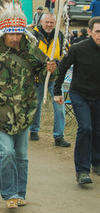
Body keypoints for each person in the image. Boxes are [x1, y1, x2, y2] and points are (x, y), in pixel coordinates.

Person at [0, 0, 56, 209]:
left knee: (22, 157)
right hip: (0, 115)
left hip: (25, 113)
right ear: (3, 34)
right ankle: (9, 194)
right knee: (7, 153)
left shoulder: (31, 52)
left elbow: (46, 73)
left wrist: (52, 69)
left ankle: (20, 193)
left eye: (18, 33)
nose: (15, 38)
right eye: (11, 33)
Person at [54, 17, 100, 184]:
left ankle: (97, 162)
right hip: (79, 93)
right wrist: (57, 90)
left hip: (98, 95)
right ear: (89, 32)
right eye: (97, 32)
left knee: (97, 130)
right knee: (86, 128)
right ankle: (82, 171)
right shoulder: (77, 49)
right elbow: (62, 67)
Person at [29, 14, 70, 146]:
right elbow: (30, 55)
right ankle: (34, 130)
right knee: (37, 103)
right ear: (41, 22)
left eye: (52, 22)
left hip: (55, 76)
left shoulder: (60, 35)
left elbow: (64, 54)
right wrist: (43, 65)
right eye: (47, 22)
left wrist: (57, 64)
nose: (49, 25)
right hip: (37, 76)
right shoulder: (33, 36)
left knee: (59, 106)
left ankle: (59, 136)